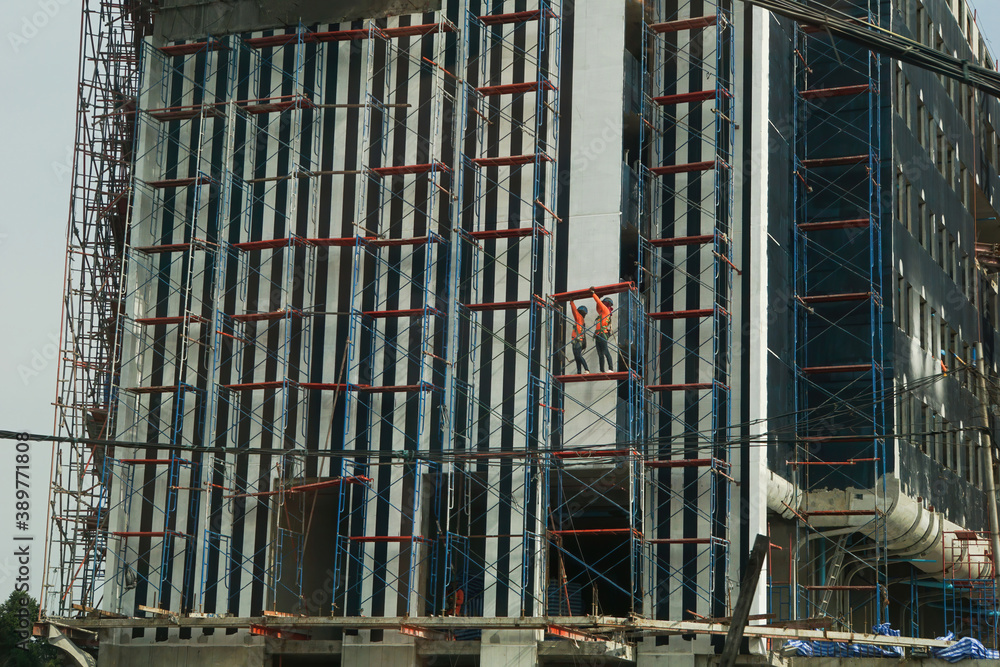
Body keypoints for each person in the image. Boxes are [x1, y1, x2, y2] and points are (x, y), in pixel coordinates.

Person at [591, 289, 614, 373]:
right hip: (598, 334)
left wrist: (594, 294)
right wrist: (598, 297)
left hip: (602, 334)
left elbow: (599, 303)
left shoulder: (606, 311)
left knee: (605, 351)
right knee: (600, 354)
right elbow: (598, 306)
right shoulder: (602, 313)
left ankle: (611, 368)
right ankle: (602, 370)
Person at [570, 302, 590, 374]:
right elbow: (574, 311)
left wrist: (571, 302)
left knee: (578, 356)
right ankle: (579, 371)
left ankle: (586, 369)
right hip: (576, 341)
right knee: (577, 357)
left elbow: (574, 311)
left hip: (578, 341)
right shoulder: (580, 320)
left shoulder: (579, 318)